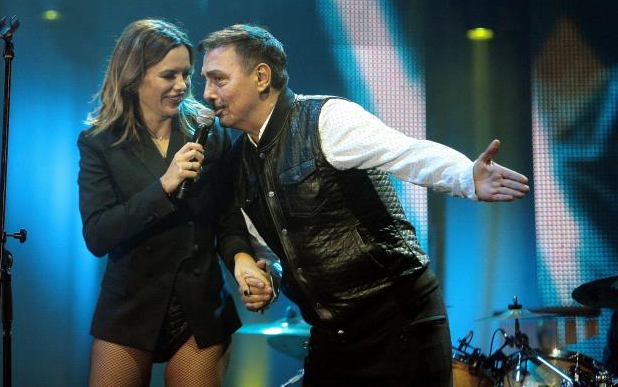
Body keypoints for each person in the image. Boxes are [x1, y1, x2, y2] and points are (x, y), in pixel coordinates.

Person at [198, 24, 530, 386]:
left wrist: (466, 176)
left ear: (262, 77)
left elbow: (406, 152)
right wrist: (269, 279)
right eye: (206, 81)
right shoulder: (239, 163)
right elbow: (279, 248)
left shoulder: (325, 119)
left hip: (398, 321)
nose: (207, 93)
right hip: (331, 336)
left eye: (218, 79)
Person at [77, 19, 255, 387]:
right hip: (130, 305)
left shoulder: (209, 133)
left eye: (186, 74)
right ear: (134, 77)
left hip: (199, 306)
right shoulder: (100, 142)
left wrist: (242, 259)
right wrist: (163, 186)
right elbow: (97, 235)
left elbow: (228, 219)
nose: (182, 85)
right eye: (168, 75)